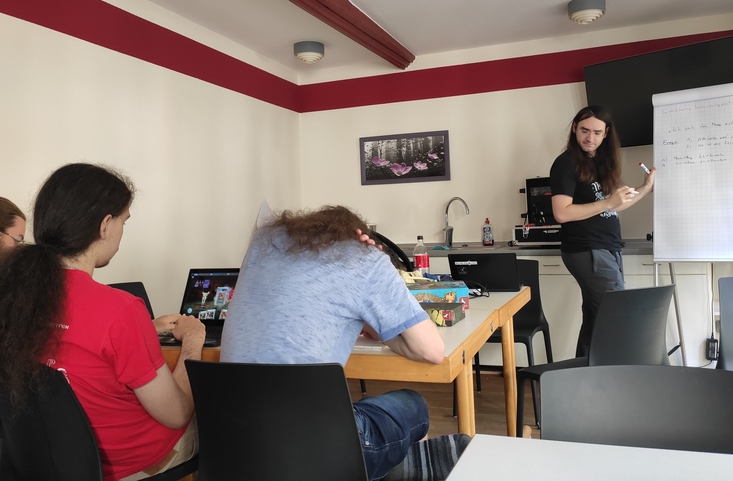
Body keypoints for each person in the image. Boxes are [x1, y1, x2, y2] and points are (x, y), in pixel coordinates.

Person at [0, 163, 206, 481]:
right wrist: (193, 340)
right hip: (124, 464)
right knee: (219, 423)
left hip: (52, 460)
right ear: (105, 225)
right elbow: (176, 414)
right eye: (124, 221)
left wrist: (145, 329)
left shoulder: (14, 297)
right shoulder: (120, 309)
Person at [221, 205, 449, 481]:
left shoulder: (263, 245)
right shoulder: (365, 259)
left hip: (236, 445)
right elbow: (432, 351)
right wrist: (376, 265)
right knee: (414, 406)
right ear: (358, 234)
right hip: (319, 455)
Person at [550, 106, 655, 357]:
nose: (590, 137)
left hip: (607, 249)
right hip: (588, 250)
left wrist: (646, 187)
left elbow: (617, 204)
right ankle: (616, 377)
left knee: (595, 322)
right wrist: (608, 202)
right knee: (617, 318)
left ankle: (581, 375)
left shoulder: (600, 163)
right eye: (584, 130)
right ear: (574, 128)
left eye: (597, 133)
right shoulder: (565, 163)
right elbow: (562, 213)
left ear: (606, 133)